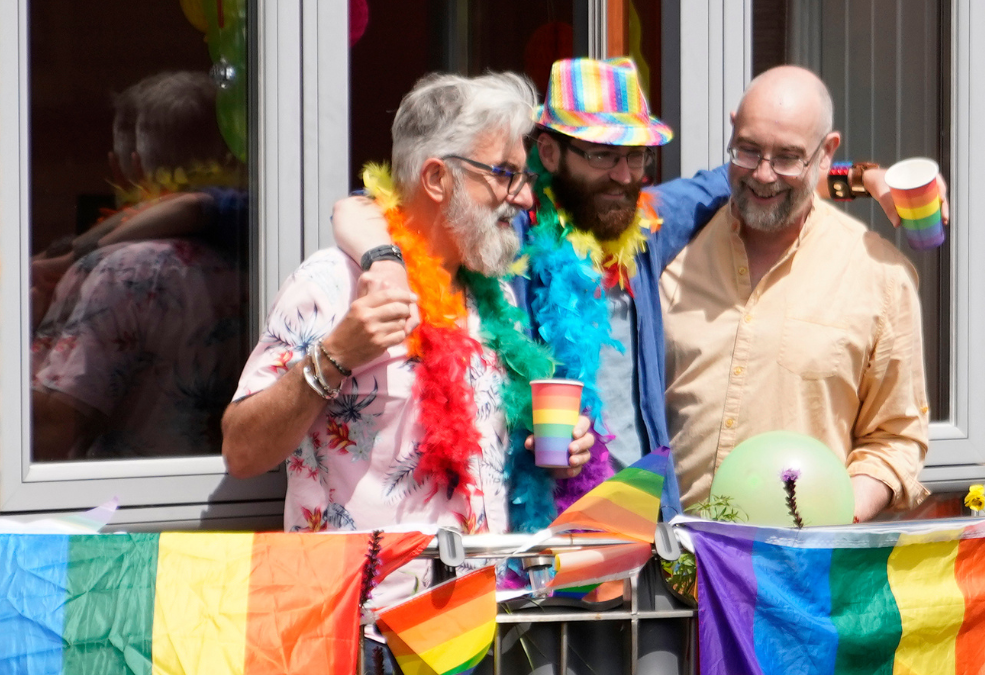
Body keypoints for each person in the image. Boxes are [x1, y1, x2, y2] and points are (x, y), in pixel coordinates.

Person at [330, 57, 915, 530]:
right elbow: (370, 206)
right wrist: (382, 259)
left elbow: (757, 177)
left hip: (649, 526)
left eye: (636, 156)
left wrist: (858, 177)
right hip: (541, 525)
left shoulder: (647, 226)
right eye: (604, 155)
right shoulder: (506, 235)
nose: (626, 174)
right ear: (552, 153)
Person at [220, 73, 593, 590]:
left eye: (524, 176)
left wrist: (545, 453)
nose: (526, 197)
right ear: (438, 179)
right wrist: (333, 359)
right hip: (361, 631)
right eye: (506, 173)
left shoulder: (495, 297)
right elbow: (242, 452)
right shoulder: (333, 283)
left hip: (480, 624)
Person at [661, 66, 930, 522]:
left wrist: (833, 521)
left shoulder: (879, 278)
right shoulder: (671, 252)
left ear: (827, 153)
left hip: (801, 574)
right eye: (748, 151)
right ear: (732, 131)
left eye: (787, 157)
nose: (764, 175)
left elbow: (896, 438)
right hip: (667, 570)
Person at [31, 71, 249, 461]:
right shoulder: (270, 247)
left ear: (127, 168)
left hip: (123, 507)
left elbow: (51, 432)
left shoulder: (121, 271)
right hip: (234, 494)